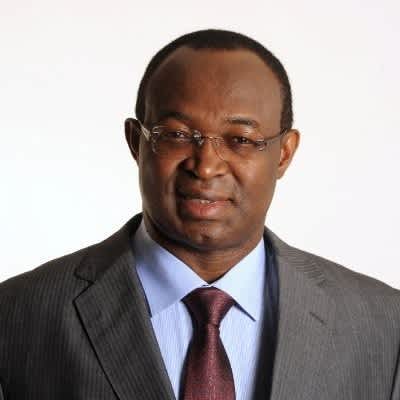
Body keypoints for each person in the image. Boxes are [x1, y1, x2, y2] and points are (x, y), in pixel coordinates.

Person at [0, 29, 399, 400]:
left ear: (284, 153)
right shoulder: (16, 317)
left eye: (241, 139)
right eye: (176, 135)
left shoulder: (385, 326)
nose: (206, 166)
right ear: (137, 143)